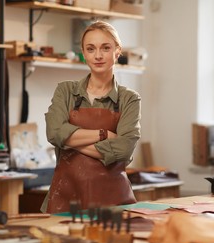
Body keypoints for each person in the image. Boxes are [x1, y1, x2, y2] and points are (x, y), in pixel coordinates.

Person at [41, 21, 140, 213]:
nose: (98, 55)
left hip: (113, 203)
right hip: (66, 198)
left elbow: (124, 150)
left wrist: (69, 141)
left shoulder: (129, 99)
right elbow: (54, 133)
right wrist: (104, 134)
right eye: (91, 49)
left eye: (105, 48)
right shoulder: (66, 91)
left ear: (117, 51)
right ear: (84, 53)